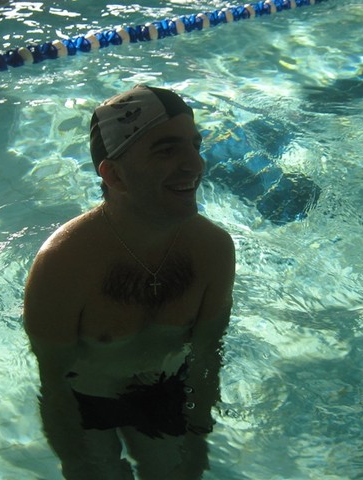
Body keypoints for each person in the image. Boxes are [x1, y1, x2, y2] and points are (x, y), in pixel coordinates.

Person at [23, 85, 236, 480]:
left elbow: (208, 353)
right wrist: (75, 460)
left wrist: (198, 431)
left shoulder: (213, 250)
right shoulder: (63, 266)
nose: (196, 164)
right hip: (89, 401)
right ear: (115, 175)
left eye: (194, 145)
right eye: (167, 150)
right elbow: (54, 384)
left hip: (168, 390)